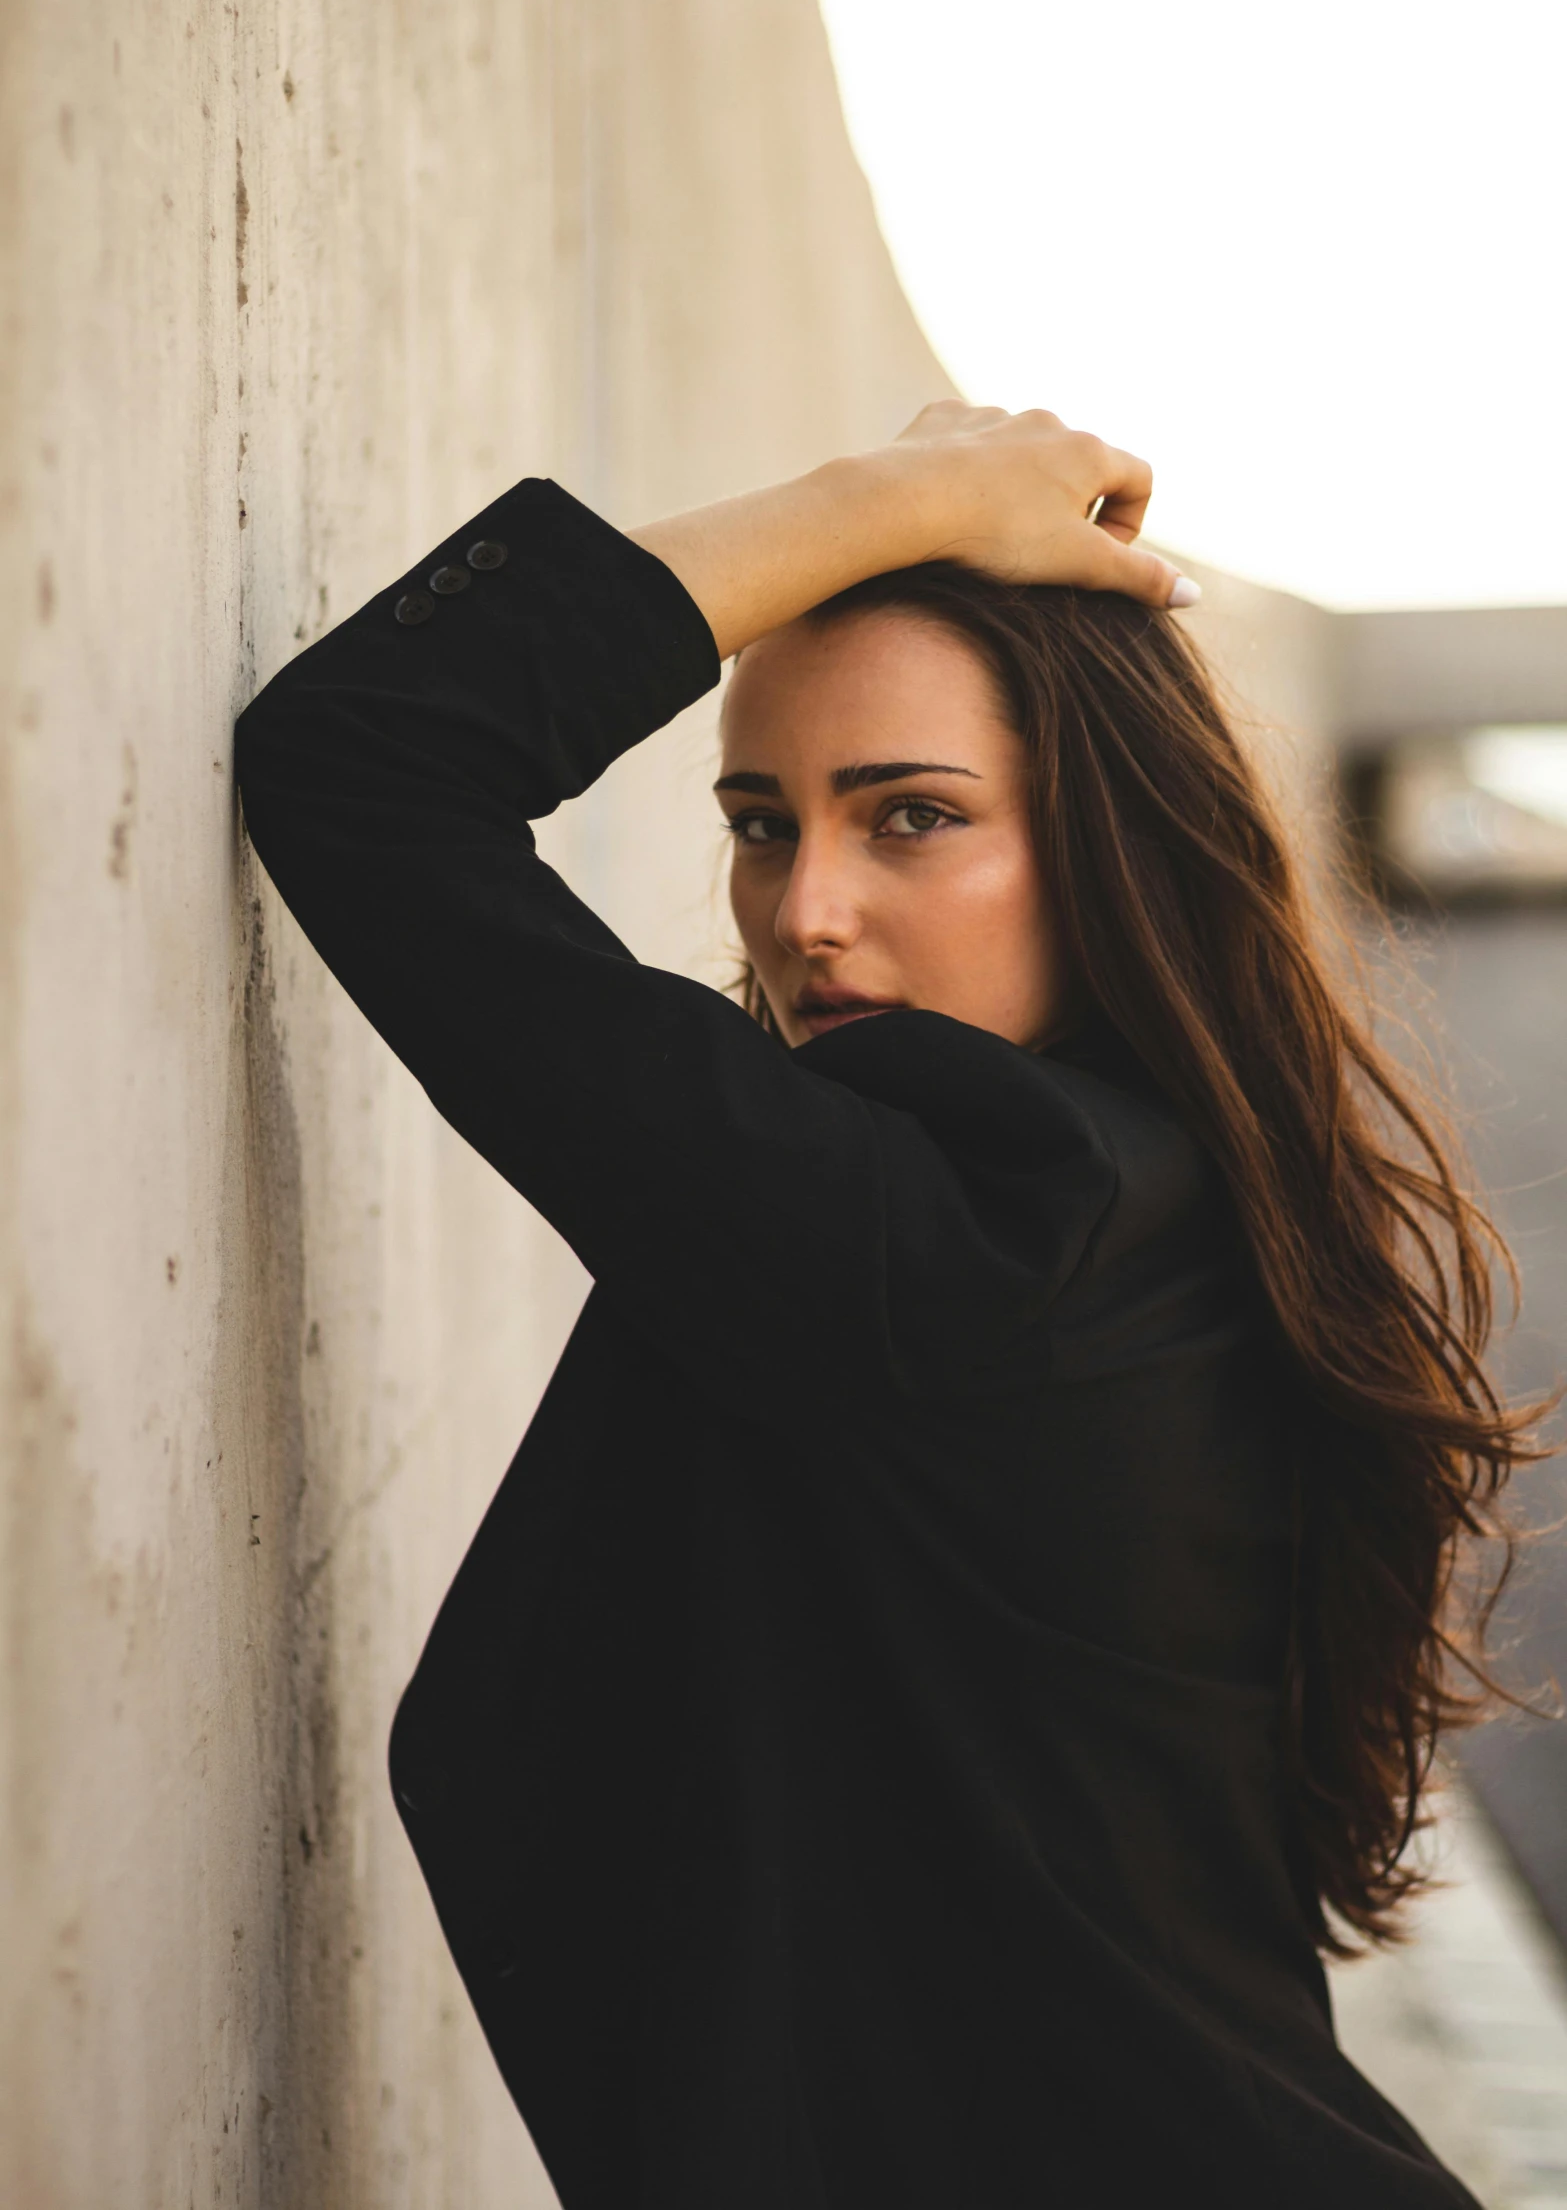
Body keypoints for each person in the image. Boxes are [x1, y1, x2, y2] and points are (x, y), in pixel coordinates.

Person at [235, 402, 1535, 2206]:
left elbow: (367, 756)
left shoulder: (965, 1234)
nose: (806, 913)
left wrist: (883, 498)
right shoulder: (1188, 1197)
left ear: (1107, 842)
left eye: (910, 818)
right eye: (759, 824)